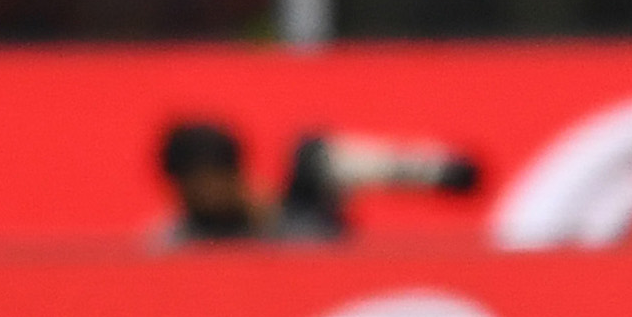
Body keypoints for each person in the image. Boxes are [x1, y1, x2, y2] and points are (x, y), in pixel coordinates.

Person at [156, 120, 479, 243]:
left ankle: (422, 165)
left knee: (313, 157)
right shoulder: (175, 243)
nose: (208, 193)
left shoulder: (293, 215)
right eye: (197, 184)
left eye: (213, 179)